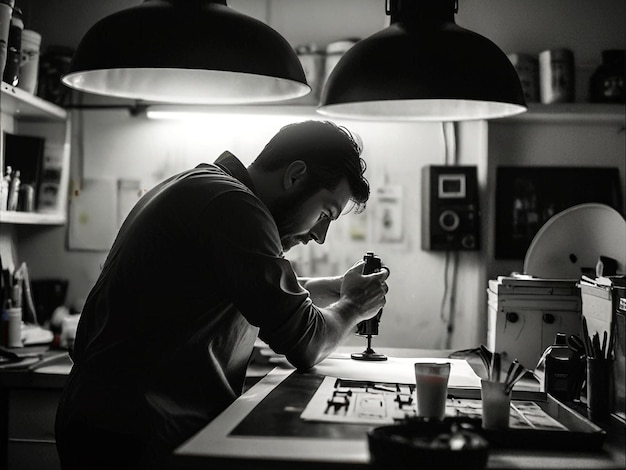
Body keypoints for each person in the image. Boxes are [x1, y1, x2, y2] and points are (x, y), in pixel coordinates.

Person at [55, 120, 390, 470]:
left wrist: (335, 288)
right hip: (130, 437)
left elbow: (248, 290)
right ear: (295, 175)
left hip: (116, 424)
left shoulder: (208, 187)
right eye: (324, 214)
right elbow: (306, 344)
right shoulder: (235, 206)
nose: (320, 235)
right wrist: (354, 305)